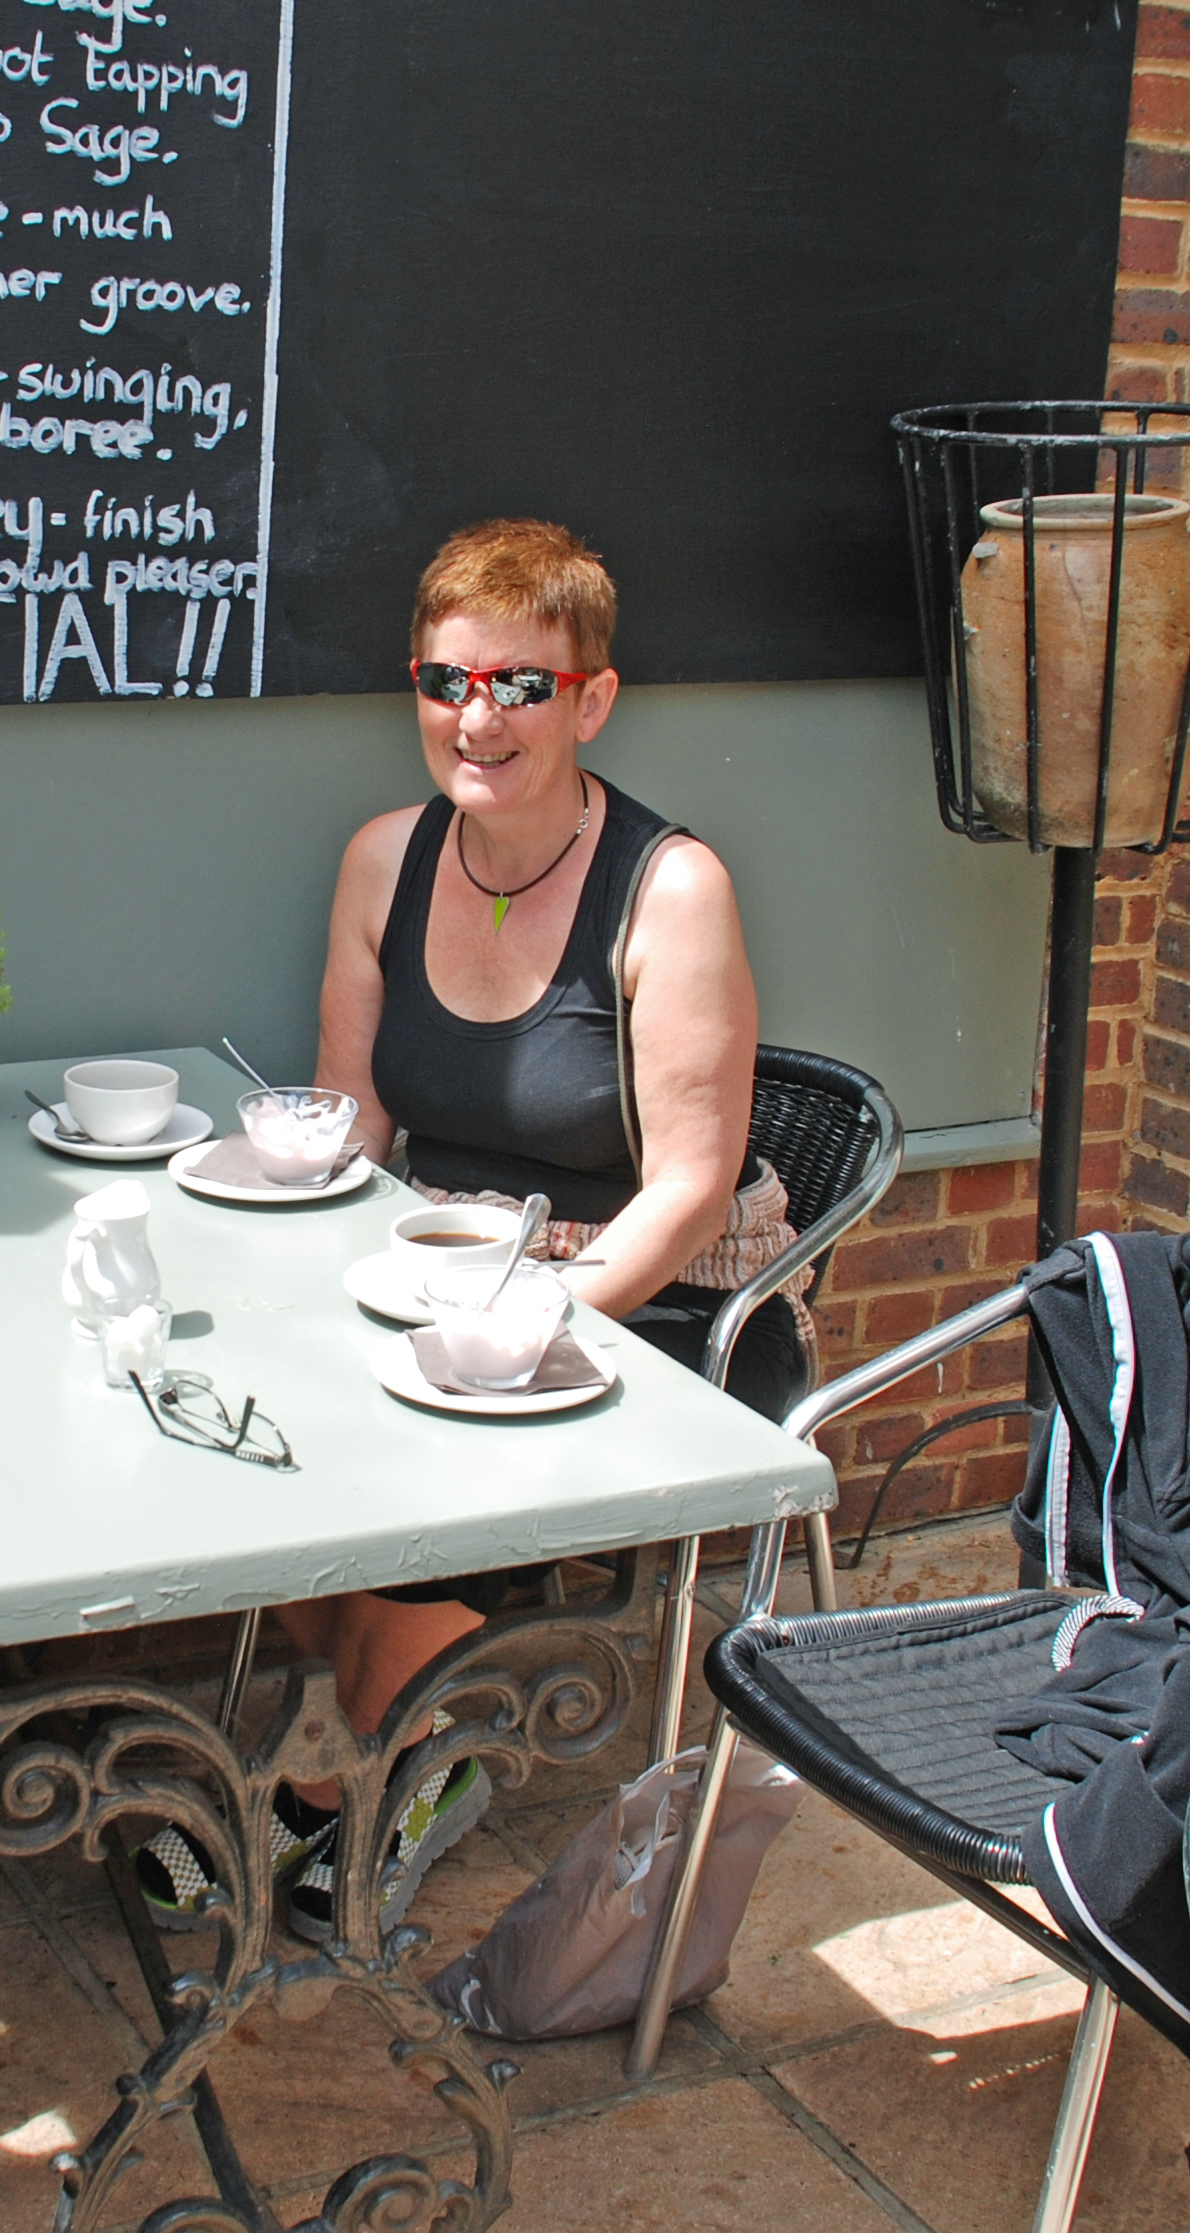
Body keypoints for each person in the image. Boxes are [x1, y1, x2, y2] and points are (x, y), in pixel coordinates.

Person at [148, 519, 793, 1940]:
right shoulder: (388, 855)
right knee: (247, 1435)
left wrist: (531, 1328)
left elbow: (691, 1182)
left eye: (520, 685)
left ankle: (345, 1798)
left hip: (633, 1293)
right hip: (425, 1262)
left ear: (592, 699)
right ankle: (420, 1739)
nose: (476, 719)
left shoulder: (669, 888)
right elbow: (357, 1115)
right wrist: (278, 1256)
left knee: (413, 1486)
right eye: (447, 683)